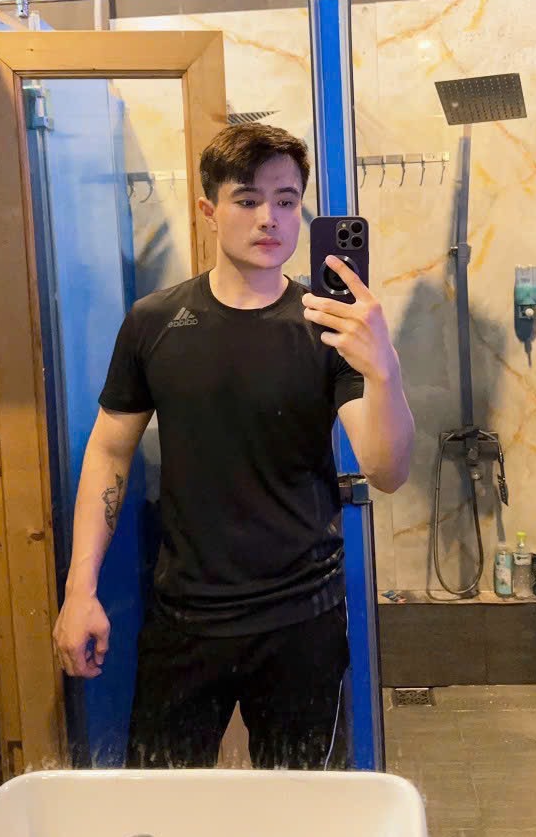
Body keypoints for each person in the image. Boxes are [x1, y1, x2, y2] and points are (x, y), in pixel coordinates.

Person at [53, 122, 414, 769]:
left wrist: (383, 369)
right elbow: (108, 452)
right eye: (247, 199)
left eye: (285, 200)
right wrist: (81, 589)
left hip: (302, 617)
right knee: (163, 804)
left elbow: (387, 471)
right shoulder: (154, 323)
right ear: (209, 210)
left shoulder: (328, 328)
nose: (269, 217)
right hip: (186, 617)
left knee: (299, 808)